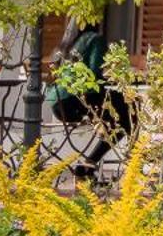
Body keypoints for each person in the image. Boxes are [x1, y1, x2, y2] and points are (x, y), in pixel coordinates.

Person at [45, 21, 135, 185]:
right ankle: (132, 169)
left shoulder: (66, 44)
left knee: (116, 118)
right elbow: (94, 74)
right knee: (129, 114)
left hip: (58, 103)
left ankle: (87, 167)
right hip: (77, 100)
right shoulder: (94, 39)